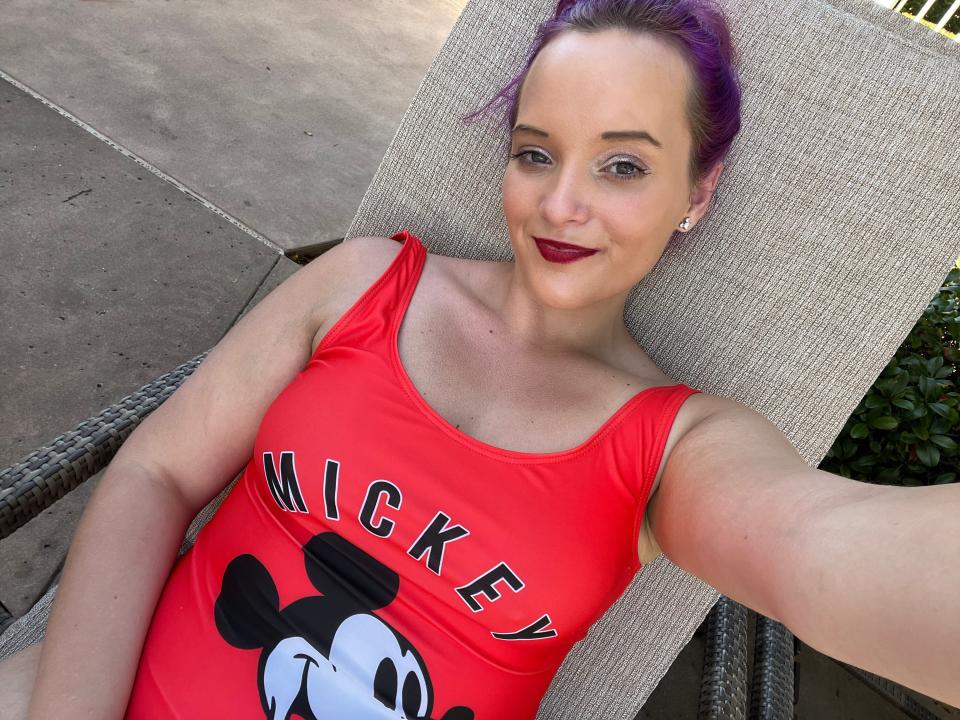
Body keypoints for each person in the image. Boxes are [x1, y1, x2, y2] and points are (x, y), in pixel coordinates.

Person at [2, 0, 958, 717]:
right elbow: (159, 472)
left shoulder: (675, 448)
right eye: (536, 153)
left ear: (696, 194)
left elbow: (824, 555)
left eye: (622, 166)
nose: (560, 206)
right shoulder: (366, 284)